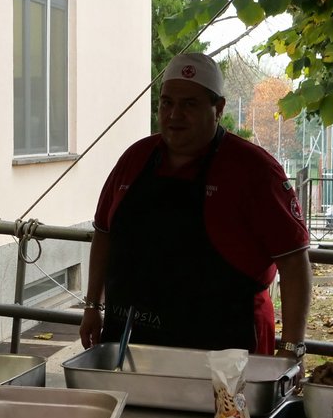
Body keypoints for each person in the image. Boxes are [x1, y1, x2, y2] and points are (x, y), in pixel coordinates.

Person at [79, 51, 311, 360]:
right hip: (133, 339)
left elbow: (294, 263)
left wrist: (292, 348)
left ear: (218, 109)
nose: (174, 115)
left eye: (189, 104)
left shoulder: (254, 170)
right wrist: (93, 305)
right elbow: (104, 234)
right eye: (167, 103)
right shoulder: (135, 159)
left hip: (228, 343)